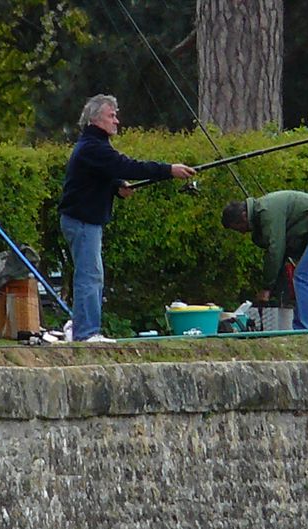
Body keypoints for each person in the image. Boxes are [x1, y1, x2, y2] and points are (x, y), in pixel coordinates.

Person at [58, 94, 196, 343]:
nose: (117, 121)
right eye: (111, 116)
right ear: (95, 119)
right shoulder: (93, 147)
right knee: (89, 276)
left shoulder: (94, 146)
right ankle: (86, 334)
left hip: (84, 220)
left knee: (91, 275)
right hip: (82, 220)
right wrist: (168, 170)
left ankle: (83, 329)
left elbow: (103, 174)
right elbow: (127, 165)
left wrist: (116, 185)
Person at [220, 190, 308, 330]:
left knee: (303, 276)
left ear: (244, 216)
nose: (242, 232)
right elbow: (281, 251)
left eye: (238, 228)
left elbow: (275, 250)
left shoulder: (266, 211)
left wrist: (266, 288)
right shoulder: (264, 210)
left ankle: (303, 328)